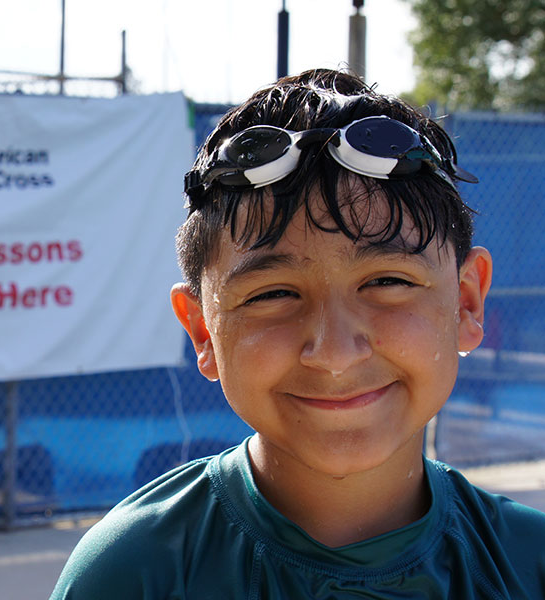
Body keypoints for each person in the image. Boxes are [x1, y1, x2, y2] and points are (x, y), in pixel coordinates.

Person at [50, 68, 545, 598]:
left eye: (387, 281)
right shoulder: (137, 572)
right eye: (272, 294)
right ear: (202, 330)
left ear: (466, 301)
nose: (334, 353)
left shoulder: (527, 564)